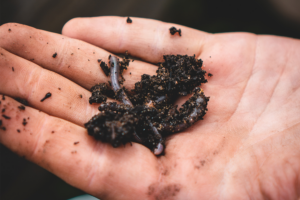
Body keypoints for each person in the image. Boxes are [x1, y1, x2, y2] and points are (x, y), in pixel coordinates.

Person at [0, 16, 299, 200]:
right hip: (143, 113)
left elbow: (134, 104)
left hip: (147, 115)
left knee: (129, 102)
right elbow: (130, 103)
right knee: (128, 100)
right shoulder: (143, 109)